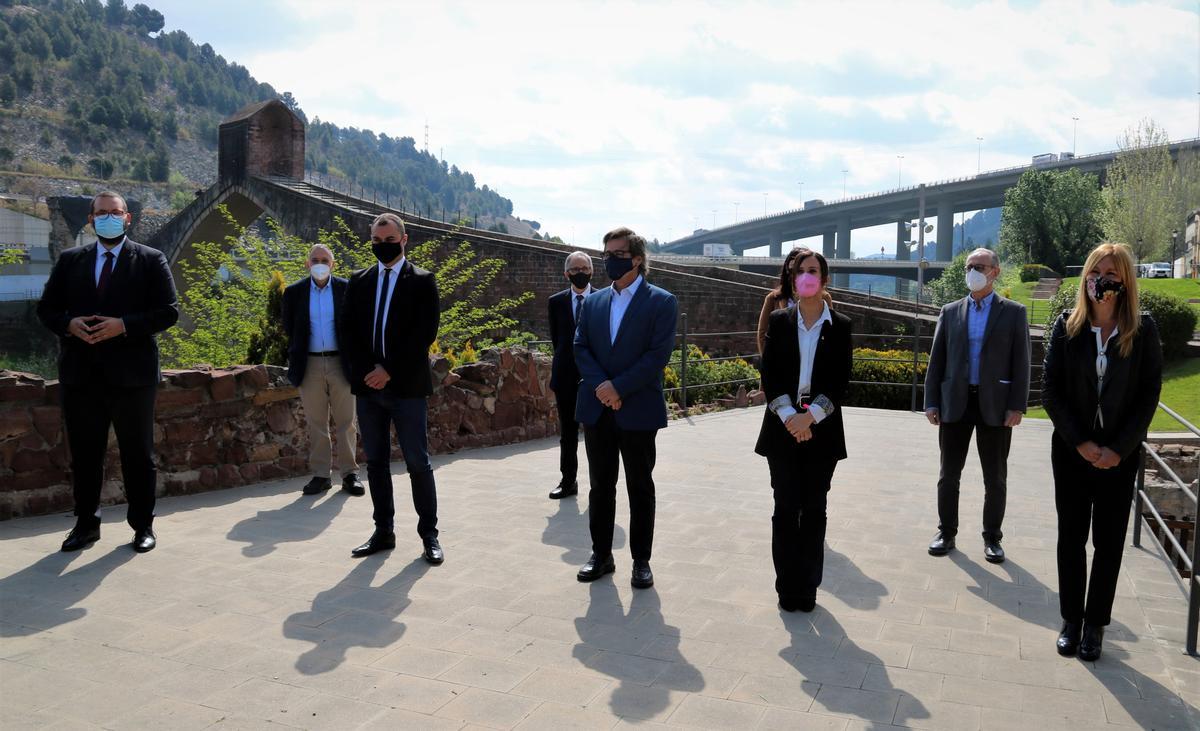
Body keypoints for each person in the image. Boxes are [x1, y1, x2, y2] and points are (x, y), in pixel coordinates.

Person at [36, 191, 179, 553]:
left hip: (133, 377)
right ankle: (86, 525)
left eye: (115, 213)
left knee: (138, 455)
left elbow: (168, 312)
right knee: (85, 455)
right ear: (91, 219)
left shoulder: (150, 259)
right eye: (102, 213)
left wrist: (124, 325)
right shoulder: (71, 261)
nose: (108, 218)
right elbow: (47, 309)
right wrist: (69, 324)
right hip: (81, 376)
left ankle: (143, 526)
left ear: (127, 218)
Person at [1042, 242, 1161, 662]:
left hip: (1119, 457)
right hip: (1072, 452)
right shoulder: (1066, 327)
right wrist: (1081, 442)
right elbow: (1050, 392)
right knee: (1070, 539)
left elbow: (1149, 396)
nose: (1101, 281)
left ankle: (1096, 625)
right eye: (1095, 272)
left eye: (1110, 274)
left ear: (1125, 281)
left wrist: (1119, 448)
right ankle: (1071, 620)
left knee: (1108, 543)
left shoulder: (1143, 331)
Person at [573, 227, 677, 589]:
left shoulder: (661, 302)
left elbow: (656, 357)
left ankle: (641, 561)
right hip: (598, 409)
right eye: (605, 254)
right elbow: (580, 346)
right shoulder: (594, 302)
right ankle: (601, 555)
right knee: (601, 486)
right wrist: (604, 388)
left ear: (636, 259)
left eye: (616, 254)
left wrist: (618, 387)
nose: (608, 260)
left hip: (637, 409)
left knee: (639, 486)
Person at [341, 213, 444, 565]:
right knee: (376, 462)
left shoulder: (422, 281)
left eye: (389, 240)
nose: (382, 246)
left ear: (404, 239)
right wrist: (370, 371)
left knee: (417, 461)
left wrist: (389, 370)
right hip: (368, 388)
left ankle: (429, 535)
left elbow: (423, 334)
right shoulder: (359, 280)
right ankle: (383, 530)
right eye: (377, 240)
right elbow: (349, 331)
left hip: (407, 387)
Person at [754, 248, 852, 612]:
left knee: (813, 508)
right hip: (782, 429)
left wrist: (809, 418)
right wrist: (789, 418)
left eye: (813, 270)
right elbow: (771, 374)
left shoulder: (840, 325)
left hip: (821, 431)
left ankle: (807, 587)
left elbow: (840, 382)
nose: (807, 276)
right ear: (792, 280)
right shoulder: (780, 322)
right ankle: (786, 588)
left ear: (824, 279)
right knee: (784, 507)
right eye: (800, 271)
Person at [923, 247, 1029, 563]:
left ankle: (992, 538)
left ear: (995, 271)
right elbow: (937, 359)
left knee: (994, 477)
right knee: (948, 474)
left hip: (994, 404)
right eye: (969, 266)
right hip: (955, 401)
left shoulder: (1013, 312)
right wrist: (931, 401)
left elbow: (1021, 363)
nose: (973, 271)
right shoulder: (950, 310)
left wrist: (1017, 406)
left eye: (979, 266)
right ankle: (946, 531)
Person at [282, 245, 364, 497]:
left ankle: (350, 474)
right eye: (315, 260)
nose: (320, 263)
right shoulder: (294, 293)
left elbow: (356, 325)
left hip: (342, 362)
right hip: (310, 363)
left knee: (347, 421)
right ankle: (321, 475)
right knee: (316, 422)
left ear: (333, 264)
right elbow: (289, 327)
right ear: (307, 264)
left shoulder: (346, 288)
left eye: (324, 260)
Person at [547, 251, 595, 499]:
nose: (581, 273)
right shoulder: (556, 302)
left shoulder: (603, 299)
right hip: (565, 378)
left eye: (585, 268)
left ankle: (600, 483)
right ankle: (568, 481)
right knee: (567, 434)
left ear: (592, 271)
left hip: (595, 379)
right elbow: (558, 340)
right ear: (566, 274)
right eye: (575, 269)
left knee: (597, 434)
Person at [757, 247, 836, 354]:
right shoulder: (773, 298)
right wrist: (769, 362)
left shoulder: (824, 298)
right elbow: (762, 334)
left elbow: (830, 331)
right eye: (793, 269)